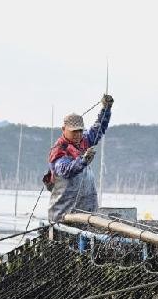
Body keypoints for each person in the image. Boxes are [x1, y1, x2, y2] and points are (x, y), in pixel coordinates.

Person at [46, 94, 113, 222]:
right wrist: (83, 161)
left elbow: (98, 129)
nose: (78, 134)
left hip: (87, 215)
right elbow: (65, 169)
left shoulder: (83, 141)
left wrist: (106, 109)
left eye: (80, 131)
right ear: (64, 129)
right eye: (74, 131)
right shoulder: (59, 150)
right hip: (63, 216)